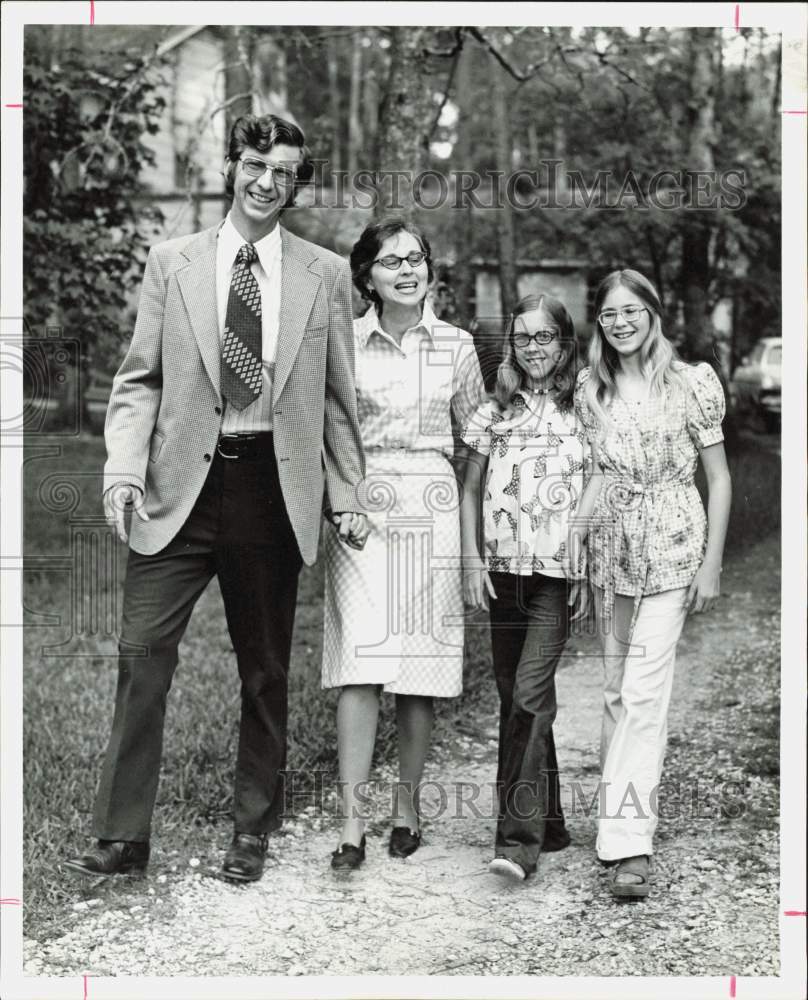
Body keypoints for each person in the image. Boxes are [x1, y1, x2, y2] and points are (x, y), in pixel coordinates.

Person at [64, 113, 368, 884]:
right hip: (178, 489)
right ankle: (123, 833)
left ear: (298, 182)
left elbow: (338, 401)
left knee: (264, 668)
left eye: (285, 172)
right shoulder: (174, 261)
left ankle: (251, 830)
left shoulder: (324, 274)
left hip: (272, 484)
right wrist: (123, 469)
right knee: (141, 656)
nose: (268, 183)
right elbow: (139, 381)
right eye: (256, 164)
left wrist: (349, 493)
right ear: (232, 164)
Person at [323, 218, 484, 870]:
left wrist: (464, 506)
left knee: (419, 664)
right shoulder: (344, 343)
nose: (407, 270)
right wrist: (345, 500)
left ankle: (407, 808)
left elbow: (478, 433)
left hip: (433, 502)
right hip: (363, 506)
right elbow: (330, 429)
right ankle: (351, 825)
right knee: (361, 660)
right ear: (367, 276)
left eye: (415, 259)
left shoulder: (456, 345)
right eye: (391, 261)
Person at [569, 268, 731, 899]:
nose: (621, 322)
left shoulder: (693, 383)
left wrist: (712, 564)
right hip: (613, 550)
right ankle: (618, 816)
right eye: (610, 314)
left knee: (642, 691)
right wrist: (575, 545)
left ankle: (630, 846)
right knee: (616, 691)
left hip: (673, 546)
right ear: (600, 323)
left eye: (632, 310)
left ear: (652, 313)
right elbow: (594, 476)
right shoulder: (591, 390)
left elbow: (716, 478)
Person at [460, 293, 589, 881]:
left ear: (564, 341)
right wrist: (469, 559)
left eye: (545, 337)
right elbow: (469, 491)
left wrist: (591, 564)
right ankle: (553, 821)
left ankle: (516, 843)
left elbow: (605, 485)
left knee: (531, 696)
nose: (534, 348)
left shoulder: (587, 406)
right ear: (511, 344)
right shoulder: (496, 410)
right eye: (523, 338)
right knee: (517, 698)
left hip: (556, 577)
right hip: (504, 574)